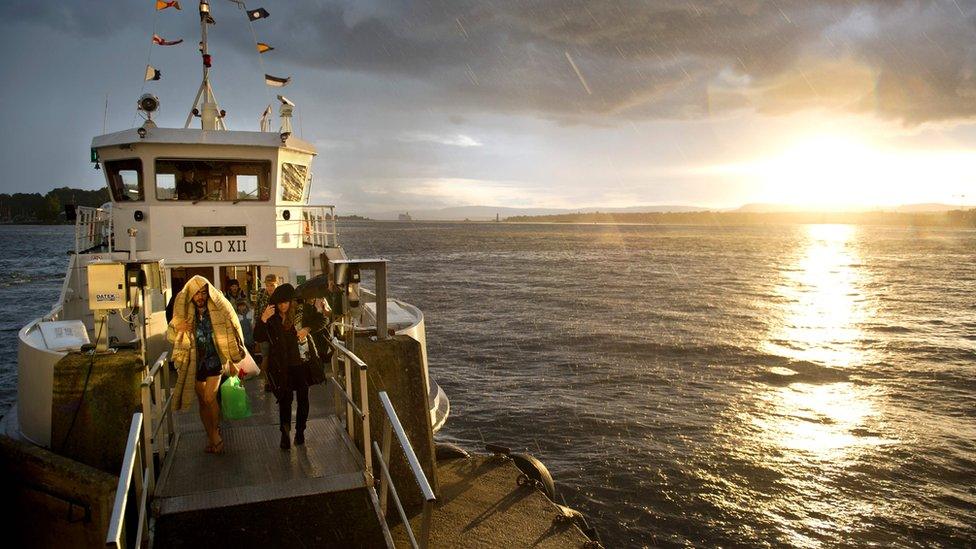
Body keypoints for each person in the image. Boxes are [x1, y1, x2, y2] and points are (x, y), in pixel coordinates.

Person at [167, 275, 246, 454]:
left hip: (215, 360)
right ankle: (211, 435)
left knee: (210, 398)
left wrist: (234, 360)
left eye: (203, 293)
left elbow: (234, 327)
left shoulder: (217, 309)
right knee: (202, 402)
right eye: (197, 294)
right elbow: (170, 336)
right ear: (191, 296)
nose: (200, 297)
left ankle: (215, 435)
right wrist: (177, 328)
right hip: (195, 363)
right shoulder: (185, 312)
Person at [254, 284, 311, 450]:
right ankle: (284, 434)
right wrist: (263, 318)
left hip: (300, 364)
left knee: (303, 400)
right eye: (279, 303)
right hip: (281, 367)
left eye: (285, 302)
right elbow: (258, 336)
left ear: (291, 302)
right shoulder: (272, 319)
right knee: (285, 401)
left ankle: (300, 432)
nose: (282, 306)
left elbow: (321, 320)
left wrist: (306, 329)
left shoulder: (299, 315)